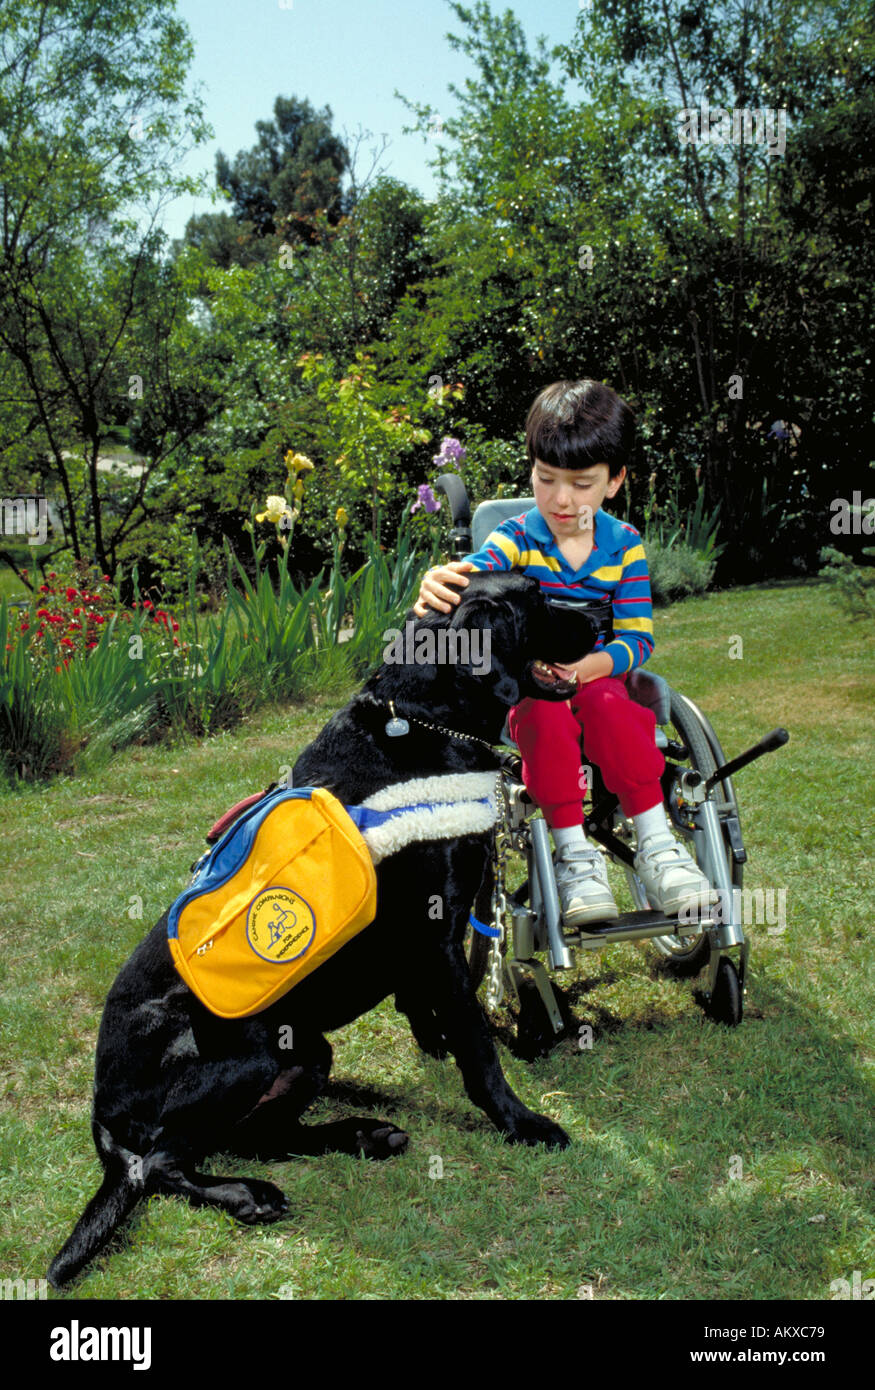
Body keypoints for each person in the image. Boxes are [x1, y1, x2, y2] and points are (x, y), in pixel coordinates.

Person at [413, 378, 714, 927]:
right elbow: (476, 571)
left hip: (597, 679)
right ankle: (575, 856)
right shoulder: (518, 537)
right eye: (545, 479)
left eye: (581, 483)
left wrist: (590, 668)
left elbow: (638, 638)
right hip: (533, 687)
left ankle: (657, 844)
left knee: (609, 706)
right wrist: (440, 577)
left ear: (616, 480)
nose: (560, 499)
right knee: (543, 717)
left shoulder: (624, 545)